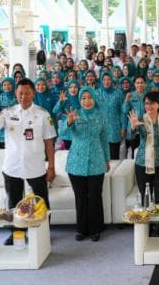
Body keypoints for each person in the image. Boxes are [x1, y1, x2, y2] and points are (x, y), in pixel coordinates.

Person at [0, 78, 57, 245]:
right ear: (16, 94)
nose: (23, 97)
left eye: (27, 93)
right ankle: (17, 234)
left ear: (33, 94)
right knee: (13, 203)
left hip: (36, 166)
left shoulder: (43, 114)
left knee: (41, 202)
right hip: (12, 166)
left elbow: (49, 143)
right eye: (20, 93)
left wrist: (51, 167)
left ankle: (43, 233)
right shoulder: (8, 112)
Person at [64, 87, 110, 242]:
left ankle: (95, 229)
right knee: (80, 197)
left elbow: (104, 139)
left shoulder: (101, 116)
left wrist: (107, 159)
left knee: (95, 197)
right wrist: (69, 122)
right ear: (79, 100)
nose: (87, 101)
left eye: (89, 97)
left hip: (96, 160)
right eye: (83, 98)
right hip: (76, 162)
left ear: (94, 99)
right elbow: (63, 132)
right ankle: (81, 229)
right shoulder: (74, 114)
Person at [128, 92, 159, 209]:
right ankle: (147, 226)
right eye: (146, 103)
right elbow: (130, 137)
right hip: (142, 163)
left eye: (152, 103)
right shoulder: (140, 119)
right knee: (146, 198)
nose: (149, 106)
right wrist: (133, 127)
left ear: (158, 104)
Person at [97, 72, 125, 160]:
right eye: (104, 80)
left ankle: (114, 174)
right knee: (101, 156)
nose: (106, 82)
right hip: (100, 128)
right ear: (101, 81)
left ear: (112, 80)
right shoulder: (97, 93)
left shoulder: (118, 93)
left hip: (114, 129)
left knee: (114, 156)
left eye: (108, 79)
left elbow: (122, 111)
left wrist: (123, 127)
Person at [123, 76, 147, 158]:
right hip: (134, 128)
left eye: (142, 83)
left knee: (145, 152)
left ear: (145, 84)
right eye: (137, 83)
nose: (140, 85)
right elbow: (125, 111)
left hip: (145, 127)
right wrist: (126, 100)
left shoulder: (148, 95)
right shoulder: (131, 95)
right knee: (134, 152)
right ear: (134, 84)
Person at [54, 80, 81, 150]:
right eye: (71, 87)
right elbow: (54, 111)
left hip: (78, 131)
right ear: (68, 89)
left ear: (79, 88)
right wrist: (60, 102)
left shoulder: (82, 99)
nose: (73, 89)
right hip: (67, 132)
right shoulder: (64, 99)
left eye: (75, 87)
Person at [0, 77, 18, 149]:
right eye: (4, 85)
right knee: (4, 151)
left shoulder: (18, 96)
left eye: (9, 84)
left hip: (16, 126)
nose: (7, 87)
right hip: (3, 127)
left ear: (13, 85)